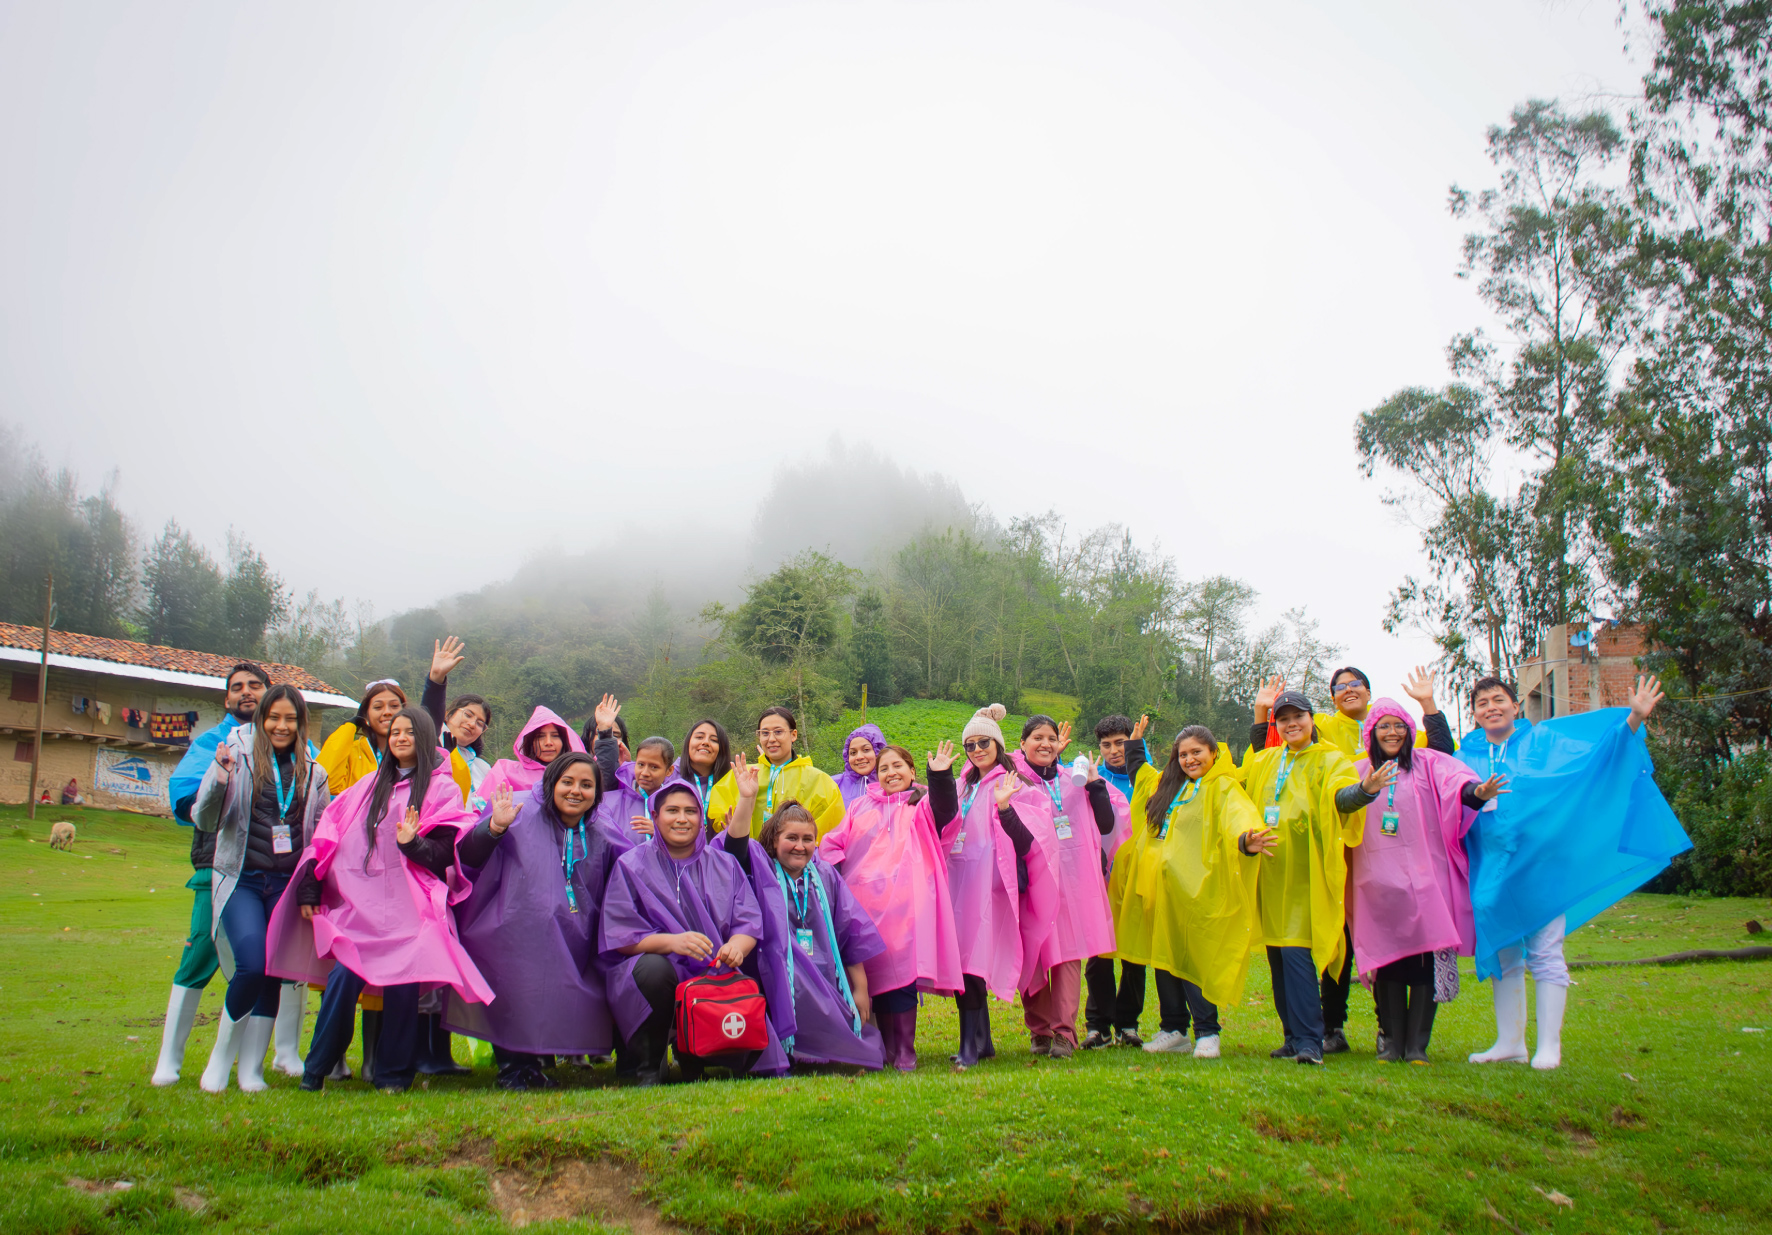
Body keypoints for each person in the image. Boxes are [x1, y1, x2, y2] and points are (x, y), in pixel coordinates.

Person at [1458, 674, 1689, 1070]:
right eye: (1482, 703)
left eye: (1499, 699)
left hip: (1545, 867)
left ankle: (1549, 1046)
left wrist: (1633, 718)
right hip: (1492, 869)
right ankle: (1509, 1043)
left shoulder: (1545, 740)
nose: (1491, 707)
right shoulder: (1466, 756)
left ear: (1516, 707)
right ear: (1475, 715)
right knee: (1505, 954)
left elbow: (1599, 753)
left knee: (1546, 950)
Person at [265, 707, 492, 1092]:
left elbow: (442, 854)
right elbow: (327, 835)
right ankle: (315, 1069)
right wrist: (310, 885)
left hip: (411, 914)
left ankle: (393, 1075)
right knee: (342, 981)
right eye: (394, 731)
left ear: (422, 738)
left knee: (403, 990)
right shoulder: (366, 787)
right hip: (360, 913)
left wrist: (413, 844)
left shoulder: (443, 789)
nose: (400, 737)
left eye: (408, 731)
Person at [1252, 668, 1431, 1054]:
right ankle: (1290, 1037)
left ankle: (1310, 1040)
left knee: (1299, 955)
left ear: (1311, 720)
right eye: (1283, 720)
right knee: (1278, 958)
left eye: (1297, 717)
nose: (1291, 725)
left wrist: (1365, 790)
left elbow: (1341, 798)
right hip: (1271, 874)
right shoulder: (1268, 761)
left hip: (1308, 875)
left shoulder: (1329, 758)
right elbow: (1242, 787)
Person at [154, 662, 304, 1086]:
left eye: (255, 686)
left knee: (275, 961)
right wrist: (219, 781)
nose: (246, 693)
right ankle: (171, 1058)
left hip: (280, 875)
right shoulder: (214, 741)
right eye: (237, 688)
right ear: (226, 699)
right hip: (219, 865)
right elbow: (186, 800)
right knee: (201, 950)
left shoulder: (300, 750)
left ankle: (278, 1054)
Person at [1346, 688, 1504, 1064]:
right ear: (1371, 731)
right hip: (1377, 885)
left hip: (1425, 880)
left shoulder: (1428, 762)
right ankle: (1393, 1043)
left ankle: (1417, 1045)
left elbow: (1457, 786)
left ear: (1408, 730)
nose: (1391, 733)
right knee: (1387, 961)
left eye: (1398, 726)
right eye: (1383, 726)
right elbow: (1339, 801)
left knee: (1423, 960)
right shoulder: (1358, 770)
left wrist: (1477, 792)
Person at [446, 753, 617, 1090]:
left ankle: (534, 1064)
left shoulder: (600, 828)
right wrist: (494, 827)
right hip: (510, 925)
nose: (575, 791)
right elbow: (466, 856)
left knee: (551, 991)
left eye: (586, 785)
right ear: (551, 783)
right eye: (567, 782)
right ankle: (513, 1068)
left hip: (571, 930)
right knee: (515, 986)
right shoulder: (520, 810)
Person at [190, 685, 331, 1091]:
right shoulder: (237, 760)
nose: (281, 726)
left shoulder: (315, 773)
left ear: (301, 724)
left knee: (274, 972)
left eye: (291, 719)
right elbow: (204, 818)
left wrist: (310, 889)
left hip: (285, 886)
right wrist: (218, 776)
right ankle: (220, 1059)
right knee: (251, 963)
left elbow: (319, 838)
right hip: (242, 881)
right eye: (274, 717)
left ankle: (251, 1069)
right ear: (261, 719)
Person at [599, 782, 787, 1085]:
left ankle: (697, 1055)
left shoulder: (724, 863)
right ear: (656, 816)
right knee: (653, 970)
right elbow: (621, 934)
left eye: (691, 811)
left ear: (702, 819)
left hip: (713, 969)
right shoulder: (631, 864)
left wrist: (736, 948)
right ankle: (648, 1062)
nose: (682, 819)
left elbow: (748, 921)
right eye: (672, 811)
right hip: (654, 969)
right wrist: (672, 942)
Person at [1112, 726, 1266, 1059]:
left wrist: (1246, 840)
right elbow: (1141, 774)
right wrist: (1134, 744)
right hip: (1160, 887)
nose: (1190, 759)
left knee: (1193, 959)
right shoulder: (1172, 785)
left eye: (1197, 752)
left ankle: (1207, 1032)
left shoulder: (1222, 787)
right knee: (1164, 958)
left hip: (1197, 887)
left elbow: (1239, 816)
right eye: (1183, 754)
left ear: (1214, 752)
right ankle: (1173, 1028)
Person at [726, 758, 886, 1072]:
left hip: (824, 970)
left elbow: (849, 933)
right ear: (773, 840)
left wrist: (861, 991)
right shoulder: (760, 871)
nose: (800, 846)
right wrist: (747, 798)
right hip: (773, 972)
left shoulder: (825, 876)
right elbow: (734, 852)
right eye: (791, 838)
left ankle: (824, 1049)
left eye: (807, 839)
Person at [819, 742, 964, 1070]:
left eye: (898, 766)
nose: (890, 773)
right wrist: (833, 874)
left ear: (912, 772)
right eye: (884, 768)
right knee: (875, 976)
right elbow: (833, 843)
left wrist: (940, 776)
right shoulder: (859, 807)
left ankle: (904, 1052)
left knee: (902, 978)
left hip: (908, 908)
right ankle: (882, 1048)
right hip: (864, 906)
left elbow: (946, 812)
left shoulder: (921, 804)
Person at [943, 704, 1059, 1070]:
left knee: (974, 962)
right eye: (970, 745)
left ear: (997, 744)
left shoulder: (1015, 784)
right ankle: (982, 1040)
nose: (977, 750)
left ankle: (969, 1047)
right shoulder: (963, 786)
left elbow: (1029, 844)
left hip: (991, 888)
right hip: (959, 883)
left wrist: (1006, 810)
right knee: (964, 962)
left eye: (983, 743)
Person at [1011, 715, 1126, 1060]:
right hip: (1031, 882)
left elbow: (1106, 823)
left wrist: (1095, 785)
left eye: (1050, 738)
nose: (1045, 744)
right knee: (1033, 957)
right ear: (1023, 745)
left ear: (1059, 745)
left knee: (1067, 957)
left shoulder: (1074, 779)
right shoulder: (1014, 782)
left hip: (1072, 882)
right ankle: (1039, 1030)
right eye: (1037, 738)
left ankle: (1064, 1033)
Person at [1085, 713, 1156, 1049]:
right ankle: (1097, 1025)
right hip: (1099, 880)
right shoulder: (1092, 780)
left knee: (1133, 953)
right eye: (1107, 745)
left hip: (1138, 877)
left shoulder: (1151, 779)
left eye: (1121, 743)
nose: (1114, 751)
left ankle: (1128, 1023)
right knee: (1098, 954)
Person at [705, 707, 844, 839]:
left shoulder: (818, 780)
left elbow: (831, 826)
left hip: (797, 859)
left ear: (793, 735)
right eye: (765, 733)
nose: (771, 739)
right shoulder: (744, 774)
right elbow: (720, 813)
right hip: (748, 859)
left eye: (778, 732)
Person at [586, 695, 676, 853]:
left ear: (669, 770)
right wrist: (605, 732)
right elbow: (606, 772)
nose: (645, 773)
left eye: (654, 767)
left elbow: (691, 844)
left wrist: (663, 834)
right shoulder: (615, 797)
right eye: (640, 765)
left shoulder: (677, 800)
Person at [478, 705, 585, 805]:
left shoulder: (578, 773)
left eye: (555, 736)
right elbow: (481, 809)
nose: (548, 742)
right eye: (540, 736)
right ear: (530, 741)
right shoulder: (505, 770)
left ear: (564, 741)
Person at [676, 717, 734, 814]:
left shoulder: (732, 782)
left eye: (714, 740)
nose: (705, 742)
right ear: (688, 743)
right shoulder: (667, 776)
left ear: (722, 749)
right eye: (699, 737)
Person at [833, 724, 886, 807]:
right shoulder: (834, 785)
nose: (859, 757)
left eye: (866, 750)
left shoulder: (892, 784)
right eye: (853, 753)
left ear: (879, 752)